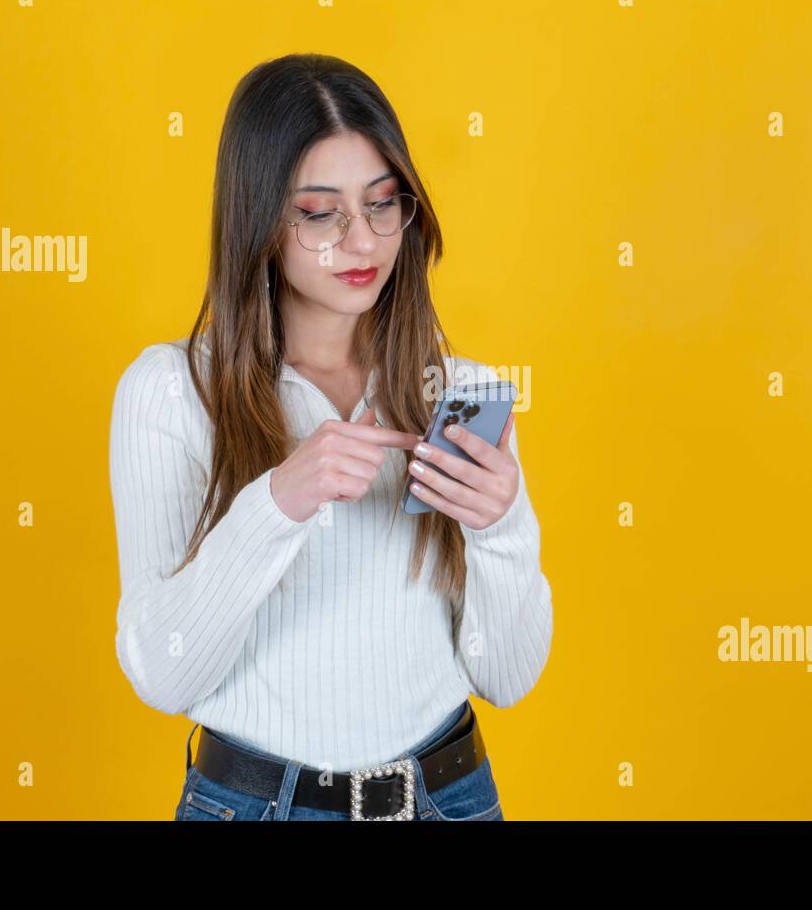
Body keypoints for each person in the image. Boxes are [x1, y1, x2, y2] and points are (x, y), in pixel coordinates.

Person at [107, 53, 553, 820]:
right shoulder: (171, 394)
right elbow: (163, 676)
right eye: (321, 213)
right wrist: (277, 503)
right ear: (258, 218)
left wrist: (501, 528)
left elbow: (507, 677)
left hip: (448, 798)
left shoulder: (457, 393)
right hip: (257, 805)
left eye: (385, 204)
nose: (364, 240)